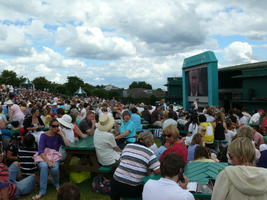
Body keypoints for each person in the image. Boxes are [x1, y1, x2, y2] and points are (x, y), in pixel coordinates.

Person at [110, 132, 160, 200]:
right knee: (148, 187)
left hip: (115, 184)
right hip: (132, 188)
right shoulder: (149, 152)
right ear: (149, 142)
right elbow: (158, 170)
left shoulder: (128, 146)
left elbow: (122, 160)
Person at [32, 119, 70, 199]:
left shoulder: (58, 135)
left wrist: (62, 134)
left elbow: (68, 144)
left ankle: (57, 184)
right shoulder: (44, 135)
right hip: (43, 156)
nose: (56, 128)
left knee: (54, 169)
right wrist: (48, 162)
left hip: (54, 156)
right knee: (44, 166)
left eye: (57, 126)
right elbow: (40, 151)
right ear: (49, 126)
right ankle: (42, 191)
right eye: (54, 126)